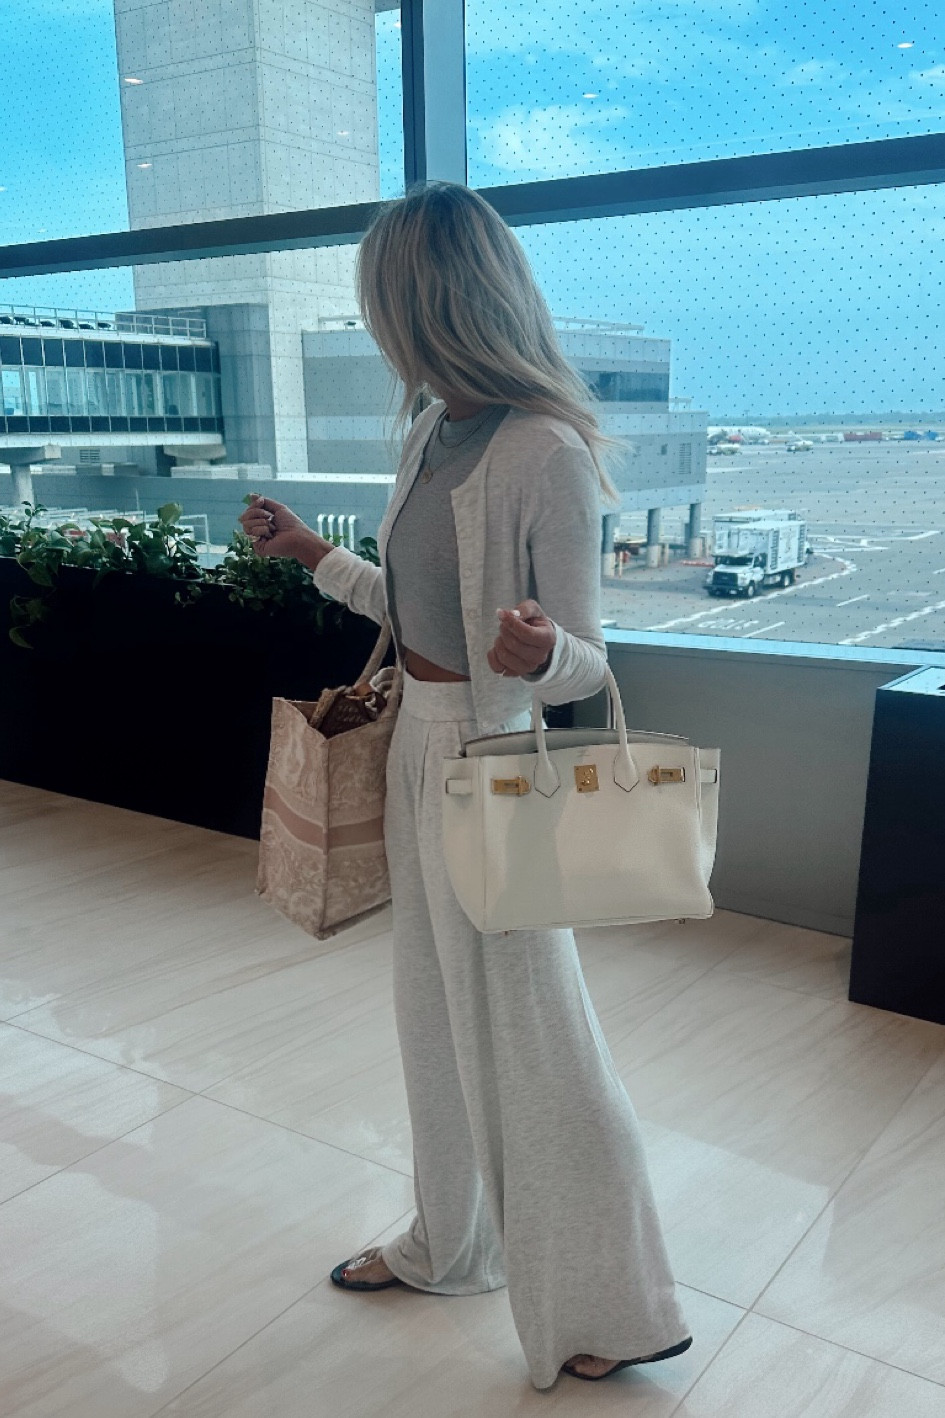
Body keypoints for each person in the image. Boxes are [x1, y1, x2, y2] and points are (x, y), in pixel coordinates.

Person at [239, 181, 692, 1391]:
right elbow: (412, 611)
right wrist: (311, 551)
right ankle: (450, 1242)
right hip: (414, 749)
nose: (375, 327)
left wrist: (544, 654)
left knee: (539, 1040)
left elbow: (588, 664)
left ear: (431, 302)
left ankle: (616, 1302)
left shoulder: (544, 449)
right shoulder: (431, 433)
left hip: (493, 763)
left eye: (383, 304)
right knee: (431, 1021)